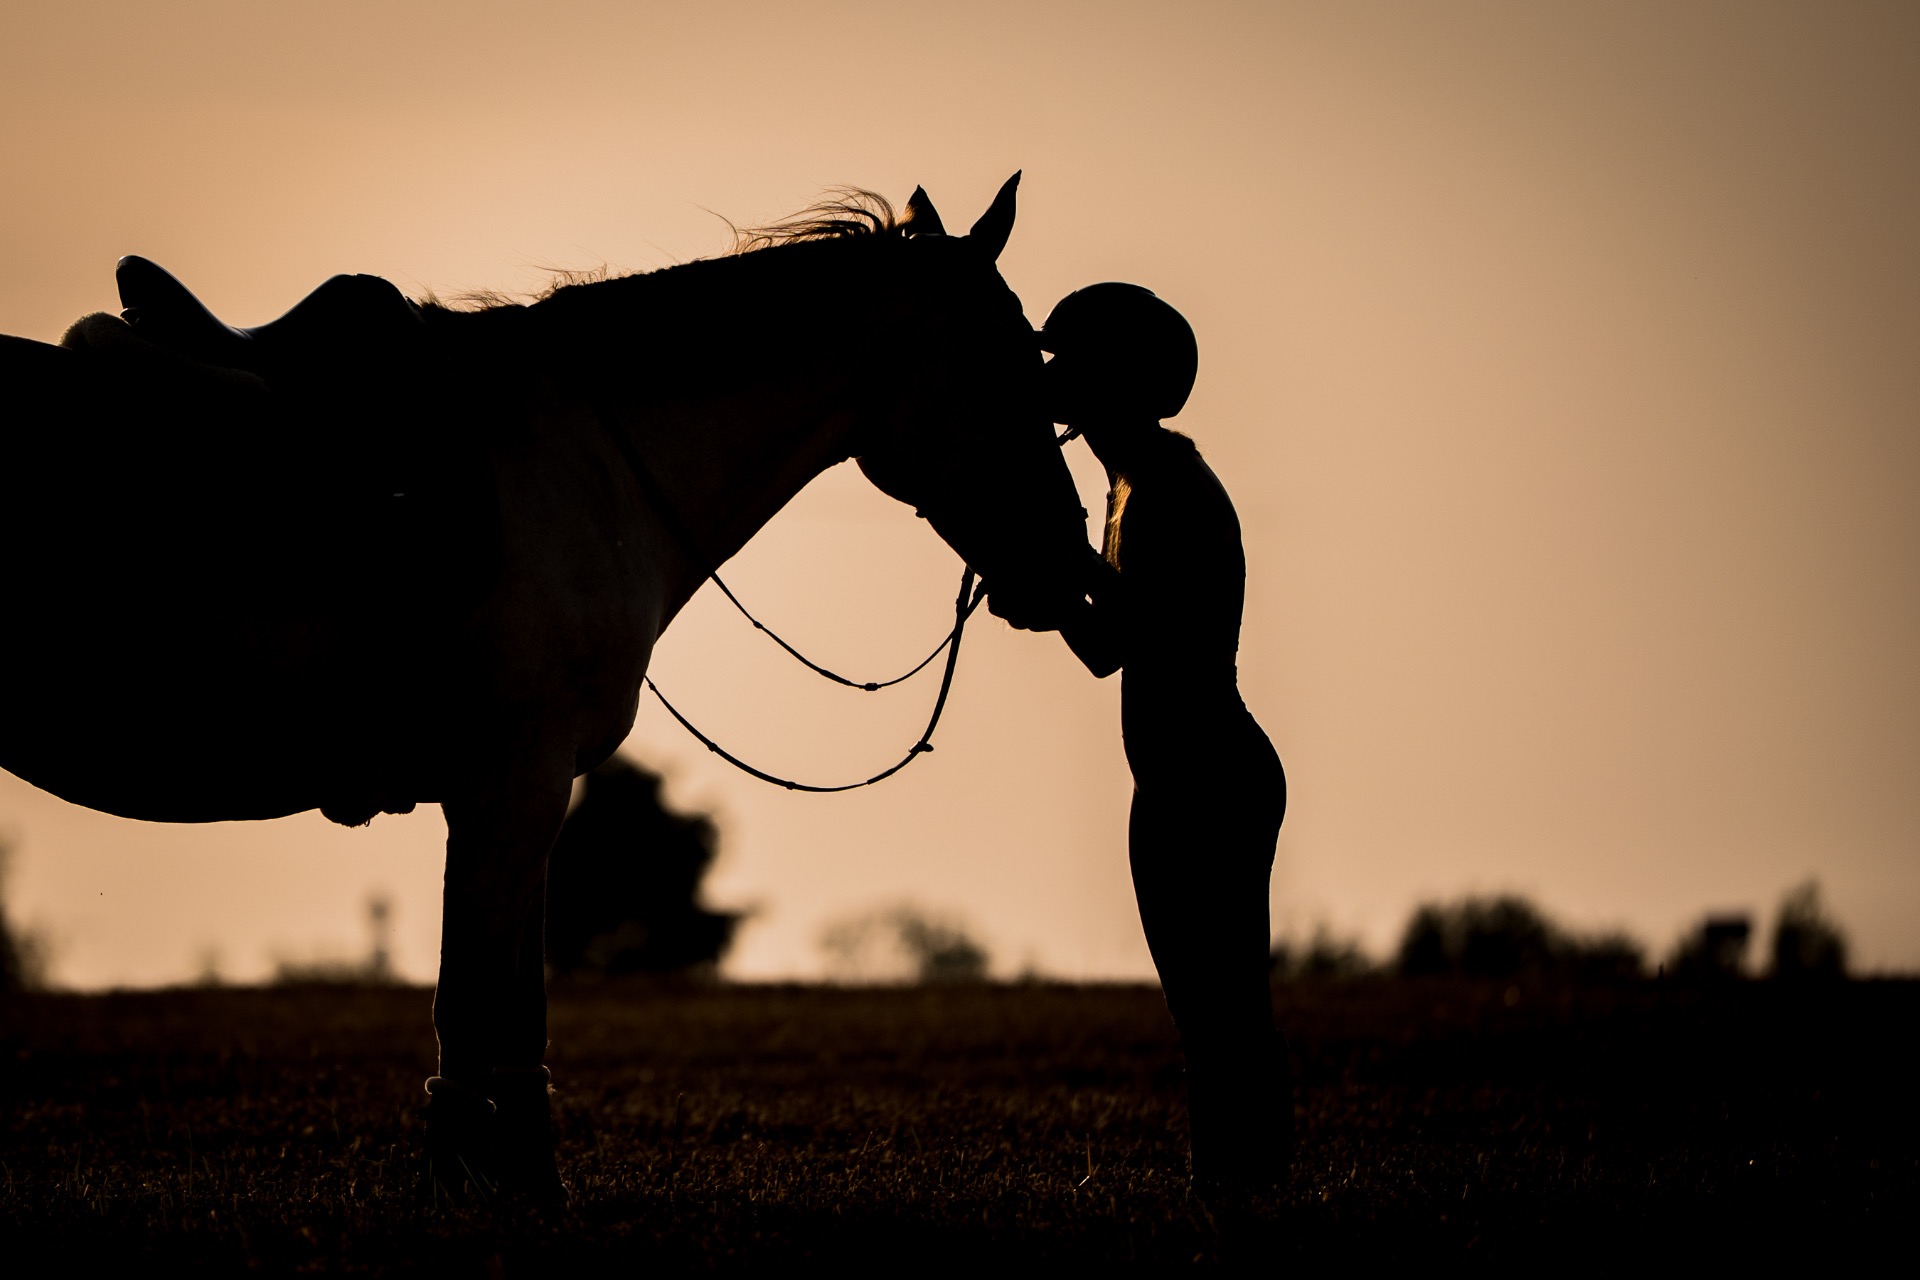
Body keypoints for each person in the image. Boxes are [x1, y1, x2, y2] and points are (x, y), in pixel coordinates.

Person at [1041, 283, 1291, 1190]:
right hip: (1191, 769)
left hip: (1203, 773)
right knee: (1211, 1007)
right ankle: (1238, 1190)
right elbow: (1115, 639)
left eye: (1067, 362)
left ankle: (1241, 1189)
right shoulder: (1134, 479)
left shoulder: (1162, 488)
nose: (1051, 376)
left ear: (1114, 378)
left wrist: (1053, 587)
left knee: (1218, 1006)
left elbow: (1114, 641)